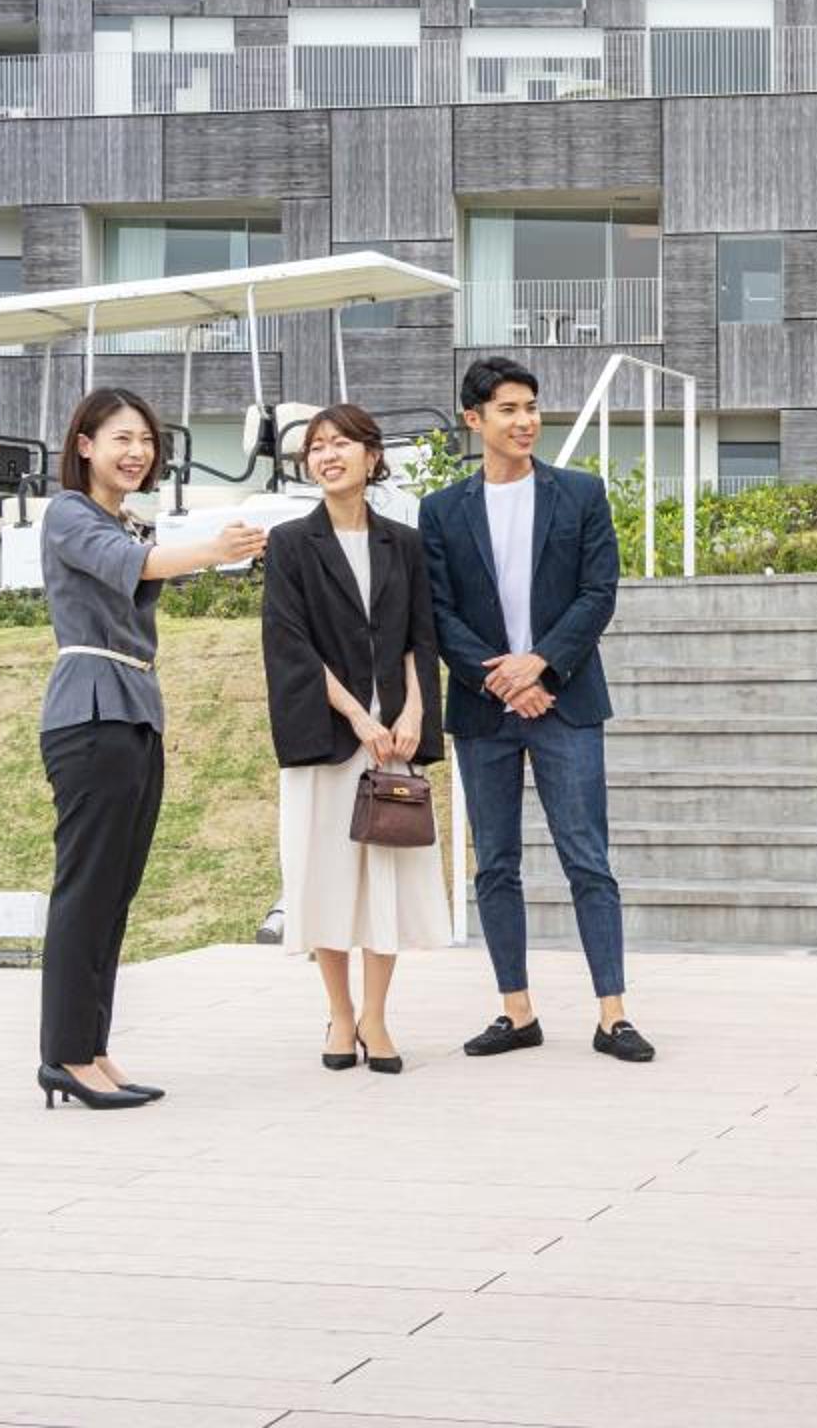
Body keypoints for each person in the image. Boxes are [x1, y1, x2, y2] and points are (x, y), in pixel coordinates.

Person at [420, 356, 656, 1065]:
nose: (525, 421)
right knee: (495, 864)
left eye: (531, 407)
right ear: (474, 420)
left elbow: (598, 592)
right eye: (508, 409)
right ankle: (516, 1011)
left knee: (588, 859)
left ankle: (613, 1015)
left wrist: (542, 664)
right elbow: (438, 612)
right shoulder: (442, 510)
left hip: (566, 700)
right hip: (484, 709)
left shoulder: (580, 493)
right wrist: (504, 679)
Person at [37, 387, 266, 1112]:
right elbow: (137, 564)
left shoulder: (127, 520)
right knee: (86, 890)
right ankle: (65, 1055)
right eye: (121, 439)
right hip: (90, 711)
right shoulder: (69, 513)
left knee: (115, 892)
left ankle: (91, 1047)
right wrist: (214, 551)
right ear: (85, 446)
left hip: (135, 708)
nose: (136, 452)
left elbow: (142, 556)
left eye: (146, 440)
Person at [260, 404, 451, 1074]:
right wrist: (359, 718)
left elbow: (420, 636)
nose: (327, 455)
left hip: (395, 738)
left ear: (372, 457)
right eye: (316, 446)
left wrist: (413, 714)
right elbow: (290, 645)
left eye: (341, 443)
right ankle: (340, 1015)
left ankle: (376, 1015)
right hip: (329, 735)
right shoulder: (290, 543)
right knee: (327, 878)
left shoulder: (405, 542)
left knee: (385, 879)